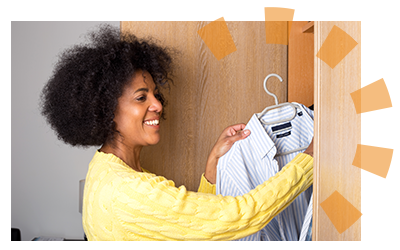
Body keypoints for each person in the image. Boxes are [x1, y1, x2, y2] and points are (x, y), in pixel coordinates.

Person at [40, 25, 314, 241]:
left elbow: (188, 226)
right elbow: (239, 217)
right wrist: (310, 159)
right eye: (141, 98)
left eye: (155, 95)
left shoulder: (105, 171)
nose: (157, 105)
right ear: (106, 109)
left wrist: (211, 170)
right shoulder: (128, 193)